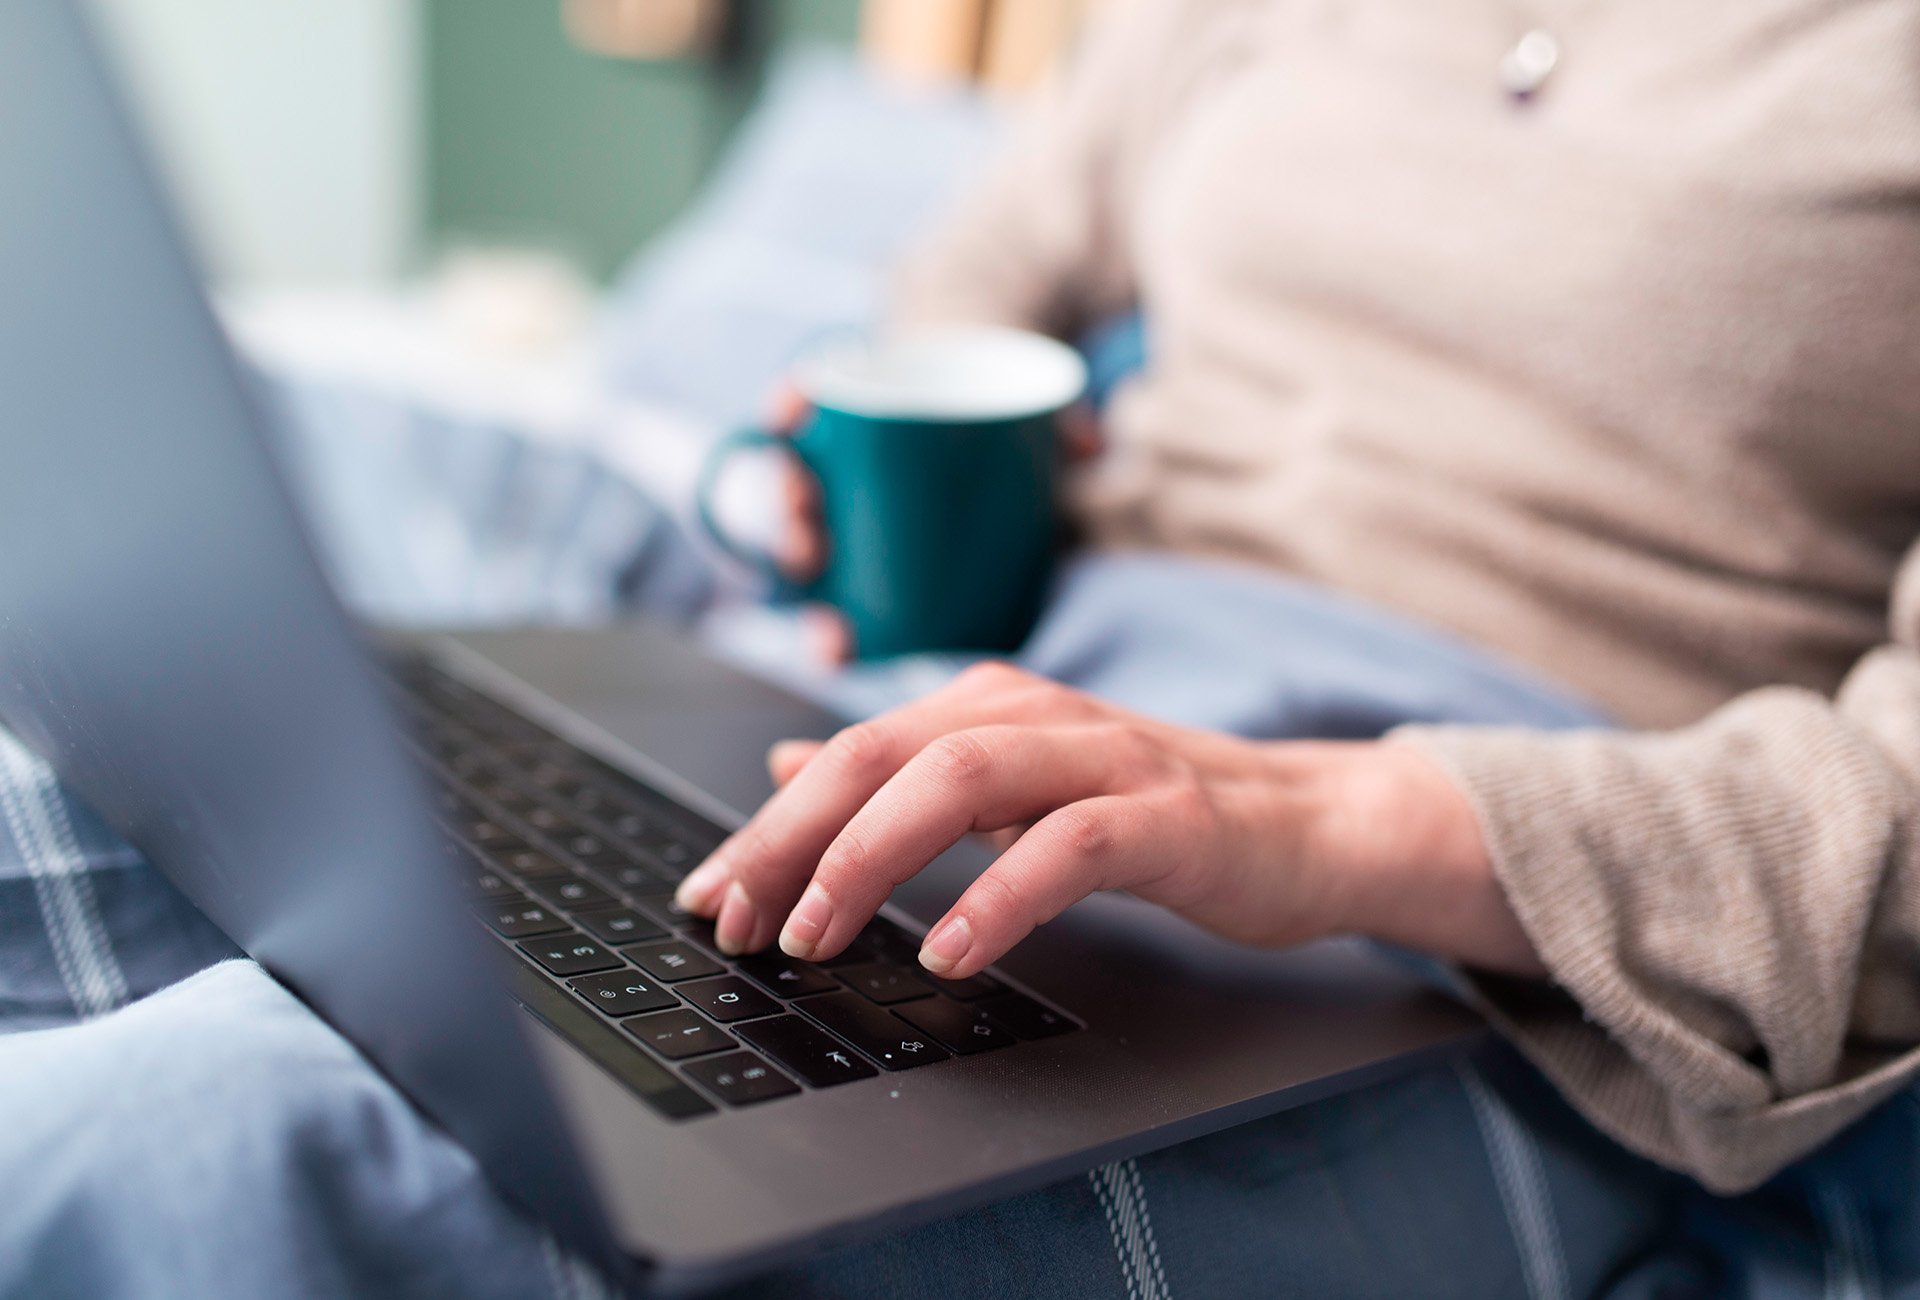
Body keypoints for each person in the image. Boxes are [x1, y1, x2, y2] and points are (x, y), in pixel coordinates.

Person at [6, 0, 1919, 1296]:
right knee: (87, 837)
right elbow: (966, 287)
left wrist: (1333, 819)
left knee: (214, 1153)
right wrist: (880, 460)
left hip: (1490, 932)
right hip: (996, 716)